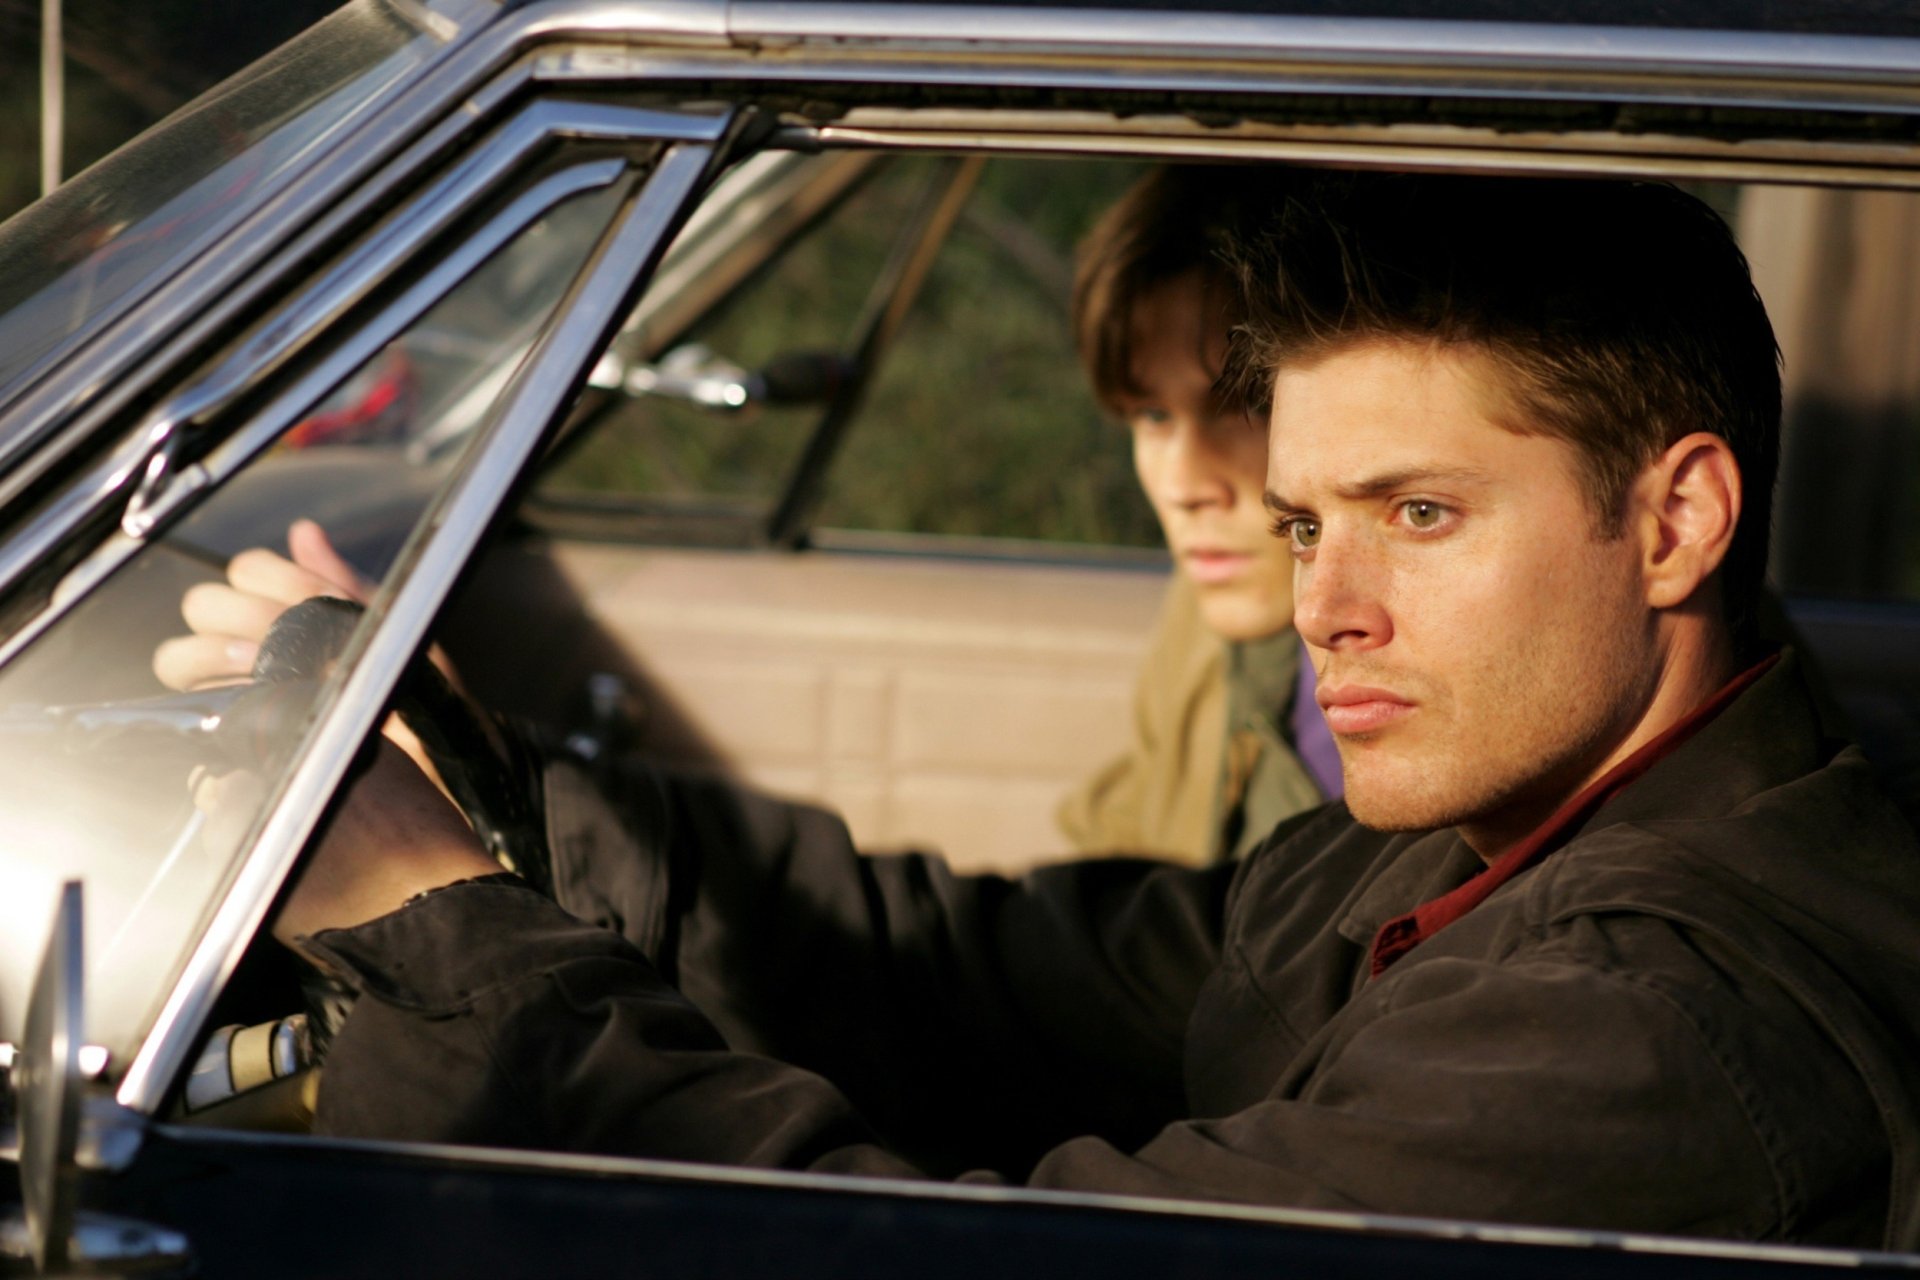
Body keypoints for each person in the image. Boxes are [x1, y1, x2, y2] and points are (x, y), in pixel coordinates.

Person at [213, 171, 1920, 1247]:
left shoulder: (1653, 1025)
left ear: (1677, 520)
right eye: (1312, 522)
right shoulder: (1457, 850)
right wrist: (506, 798)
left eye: (1419, 514)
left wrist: (438, 930)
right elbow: (975, 977)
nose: (1322, 605)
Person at [1058, 167, 1337, 866]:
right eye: (1151, 415)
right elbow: (1135, 839)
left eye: (1240, 406)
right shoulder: (1208, 608)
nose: (1184, 484)